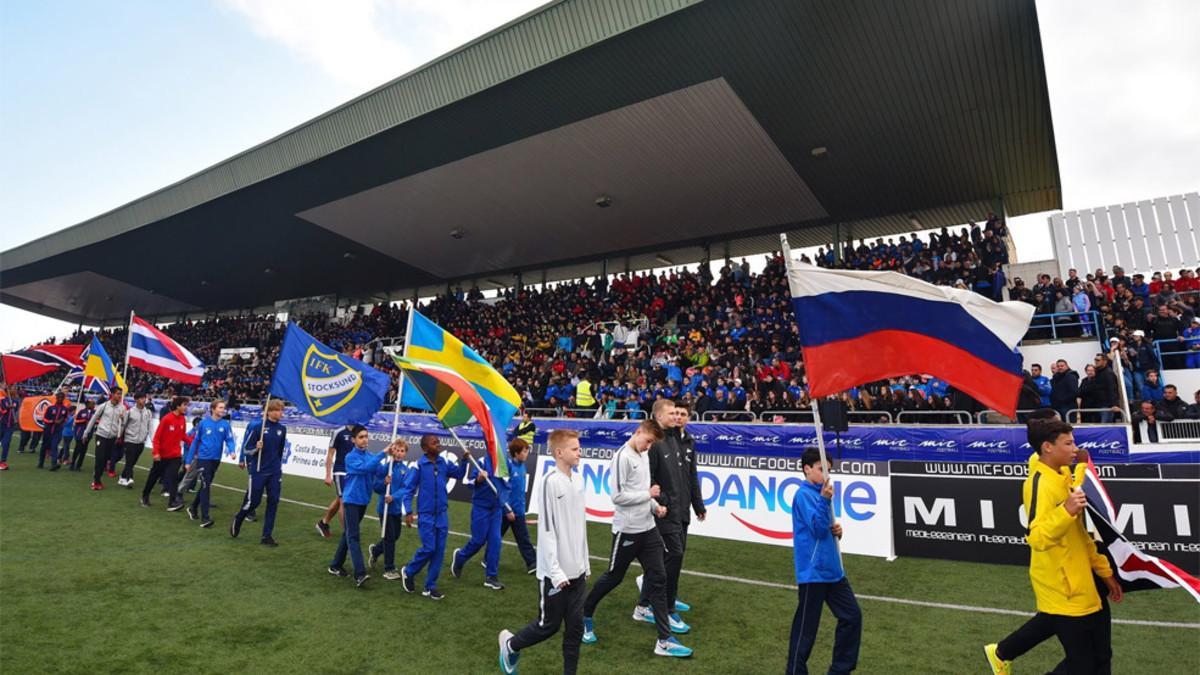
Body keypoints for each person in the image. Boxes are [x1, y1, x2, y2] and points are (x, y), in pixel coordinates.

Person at [984, 419, 1121, 674]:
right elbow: (1037, 538)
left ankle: (1002, 652)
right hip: (1063, 588)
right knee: (1083, 665)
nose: (1074, 448)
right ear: (1047, 447)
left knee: (1102, 658)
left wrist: (1104, 572)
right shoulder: (1040, 484)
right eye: (1068, 443)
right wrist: (1066, 510)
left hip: (1086, 584)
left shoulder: (1063, 473)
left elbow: (1081, 535)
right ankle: (1001, 653)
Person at [581, 420, 692, 658]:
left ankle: (664, 640)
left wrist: (654, 507)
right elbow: (618, 497)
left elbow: (643, 491)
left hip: (648, 527)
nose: (649, 446)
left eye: (652, 443)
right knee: (613, 577)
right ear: (638, 432)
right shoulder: (622, 457)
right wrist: (648, 495)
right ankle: (584, 613)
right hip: (627, 529)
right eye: (648, 441)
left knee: (659, 576)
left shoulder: (643, 454)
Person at [499, 429, 590, 675]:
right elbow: (547, 529)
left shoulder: (579, 480)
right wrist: (556, 572)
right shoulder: (550, 481)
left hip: (578, 572)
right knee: (548, 625)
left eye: (579, 447)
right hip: (554, 574)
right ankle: (510, 644)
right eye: (574, 449)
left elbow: (580, 526)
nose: (579, 452)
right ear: (559, 453)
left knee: (575, 629)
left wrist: (585, 563)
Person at [787, 447, 862, 675]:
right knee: (806, 629)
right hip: (813, 571)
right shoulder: (804, 495)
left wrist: (836, 530)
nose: (826, 475)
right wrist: (824, 502)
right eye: (822, 470)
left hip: (833, 570)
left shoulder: (821, 493)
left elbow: (824, 529)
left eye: (829, 470)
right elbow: (818, 529)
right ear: (807, 469)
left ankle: (840, 670)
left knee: (852, 616)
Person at [635, 400, 705, 631]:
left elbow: (689, 477)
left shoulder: (681, 440)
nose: (676, 417)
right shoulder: (655, 443)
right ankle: (664, 607)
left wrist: (697, 505)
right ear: (659, 415)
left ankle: (650, 602)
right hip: (665, 513)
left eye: (680, 413)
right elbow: (650, 479)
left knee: (673, 559)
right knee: (671, 558)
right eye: (673, 413)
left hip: (681, 511)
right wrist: (662, 502)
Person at [400, 434, 470, 600]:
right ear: (425, 448)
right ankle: (409, 571)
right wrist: (408, 512)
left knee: (439, 552)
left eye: (438, 442)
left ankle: (430, 586)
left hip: (442, 515)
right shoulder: (418, 466)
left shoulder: (443, 462)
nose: (438, 445)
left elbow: (459, 474)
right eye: (434, 443)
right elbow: (408, 490)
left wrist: (465, 460)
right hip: (426, 516)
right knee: (429, 548)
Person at [328, 424, 389, 587]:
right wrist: (383, 453)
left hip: (363, 501)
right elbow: (365, 469)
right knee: (354, 536)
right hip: (351, 501)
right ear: (353, 440)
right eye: (361, 437)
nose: (364, 440)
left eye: (366, 436)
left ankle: (335, 565)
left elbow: (380, 470)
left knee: (348, 533)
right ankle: (360, 574)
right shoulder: (350, 457)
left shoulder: (370, 455)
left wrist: (393, 461)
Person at [450, 442, 512, 590]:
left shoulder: (505, 464)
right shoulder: (482, 462)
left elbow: (508, 485)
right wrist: (478, 479)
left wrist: (506, 505)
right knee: (478, 540)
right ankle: (460, 557)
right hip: (481, 507)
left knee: (495, 541)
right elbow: (469, 482)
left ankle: (491, 576)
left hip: (496, 508)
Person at [231, 399, 288, 546]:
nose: (280, 413)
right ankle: (239, 518)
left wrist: (277, 466)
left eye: (281, 410)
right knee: (253, 502)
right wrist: (256, 448)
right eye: (277, 410)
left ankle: (266, 536)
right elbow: (246, 449)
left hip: (274, 471)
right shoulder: (258, 427)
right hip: (258, 470)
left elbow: (280, 451)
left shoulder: (282, 429)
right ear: (269, 411)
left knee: (273, 502)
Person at [184, 400, 236, 528]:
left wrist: (232, 451)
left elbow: (229, 439)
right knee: (206, 486)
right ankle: (205, 518)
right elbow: (195, 442)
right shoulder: (203, 423)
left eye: (223, 408)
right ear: (213, 409)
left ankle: (193, 507)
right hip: (203, 459)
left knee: (205, 485)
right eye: (220, 407)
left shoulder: (225, 424)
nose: (222, 410)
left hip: (215, 460)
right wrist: (188, 461)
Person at [367, 439, 411, 579]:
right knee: (390, 538)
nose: (399, 453)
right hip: (384, 509)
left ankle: (375, 550)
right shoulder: (386, 467)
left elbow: (406, 488)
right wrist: (383, 482)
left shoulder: (406, 470)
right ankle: (389, 568)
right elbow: (376, 487)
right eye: (397, 450)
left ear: (405, 453)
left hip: (396, 508)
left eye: (402, 451)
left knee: (395, 536)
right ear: (393, 451)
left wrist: (394, 497)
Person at [141, 396, 189, 510]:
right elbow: (157, 438)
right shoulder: (166, 419)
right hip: (162, 456)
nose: (186, 407)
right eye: (185, 405)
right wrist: (156, 453)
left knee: (173, 477)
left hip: (176, 455)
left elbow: (183, 435)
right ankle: (145, 495)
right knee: (154, 476)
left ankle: (172, 502)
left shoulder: (183, 419)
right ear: (178, 406)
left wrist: (194, 442)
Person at [500, 438, 537, 575]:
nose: (527, 453)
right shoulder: (508, 467)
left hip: (519, 511)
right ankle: (487, 559)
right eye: (524, 451)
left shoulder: (522, 466)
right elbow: (502, 490)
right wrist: (507, 509)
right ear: (516, 453)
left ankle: (532, 563)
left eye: (527, 451)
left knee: (523, 538)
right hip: (507, 512)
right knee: (496, 537)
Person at [316, 423, 355, 539]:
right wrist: (328, 475)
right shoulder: (338, 432)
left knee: (340, 499)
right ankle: (348, 534)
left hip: (353, 472)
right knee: (345, 501)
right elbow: (330, 454)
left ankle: (323, 523)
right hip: (340, 472)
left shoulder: (359, 432)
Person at [83, 389, 126, 490]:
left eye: (121, 394)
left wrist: (119, 434)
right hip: (101, 435)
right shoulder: (104, 406)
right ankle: (96, 481)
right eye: (118, 394)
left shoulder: (123, 408)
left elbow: (123, 424)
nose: (120, 396)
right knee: (100, 458)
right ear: (112, 394)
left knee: (105, 459)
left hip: (112, 438)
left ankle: (98, 474)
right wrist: (86, 432)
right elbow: (94, 419)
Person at [117, 393, 153, 486]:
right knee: (129, 460)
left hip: (141, 442)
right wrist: (118, 435)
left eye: (144, 398)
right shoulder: (130, 412)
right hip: (130, 440)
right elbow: (123, 425)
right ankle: (130, 478)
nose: (144, 400)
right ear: (136, 400)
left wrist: (153, 440)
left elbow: (150, 427)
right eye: (141, 398)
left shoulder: (148, 412)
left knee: (133, 462)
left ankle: (123, 477)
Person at [39, 391, 71, 471]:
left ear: (63, 399)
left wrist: (62, 420)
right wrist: (53, 421)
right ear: (56, 398)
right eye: (59, 397)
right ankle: (41, 463)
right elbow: (44, 418)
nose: (60, 399)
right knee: (44, 447)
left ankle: (54, 464)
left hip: (57, 431)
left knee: (54, 446)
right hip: (48, 430)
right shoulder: (50, 408)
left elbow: (66, 418)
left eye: (62, 398)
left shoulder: (65, 409)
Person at [69, 399, 95, 471]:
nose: (94, 405)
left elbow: (98, 421)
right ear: (87, 404)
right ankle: (72, 463)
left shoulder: (95, 412)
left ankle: (78, 466)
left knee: (84, 450)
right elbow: (76, 421)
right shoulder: (81, 411)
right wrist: (84, 420)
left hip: (88, 434)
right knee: (78, 448)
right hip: (80, 433)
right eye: (92, 403)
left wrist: (92, 422)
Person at [0, 385, 20, 471]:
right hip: (1, 424)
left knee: (6, 443)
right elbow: (2, 410)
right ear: (8, 390)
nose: (16, 390)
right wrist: (8, 408)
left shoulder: (16, 401)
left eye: (16, 389)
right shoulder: (2, 400)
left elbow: (15, 412)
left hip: (10, 426)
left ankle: (2, 462)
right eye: (14, 388)